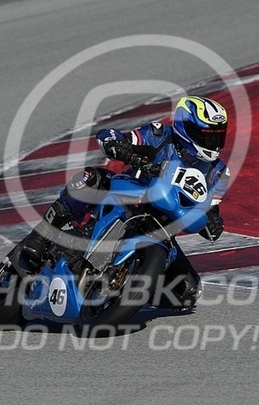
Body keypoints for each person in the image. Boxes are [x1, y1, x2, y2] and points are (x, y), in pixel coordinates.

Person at [20, 95, 230, 309]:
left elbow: (212, 209)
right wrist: (116, 144)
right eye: (206, 135)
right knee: (90, 178)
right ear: (186, 127)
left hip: (163, 227)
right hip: (129, 196)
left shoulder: (220, 172)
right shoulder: (159, 134)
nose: (213, 143)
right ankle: (39, 236)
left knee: (187, 292)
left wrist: (213, 223)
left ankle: (128, 289)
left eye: (217, 136)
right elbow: (115, 136)